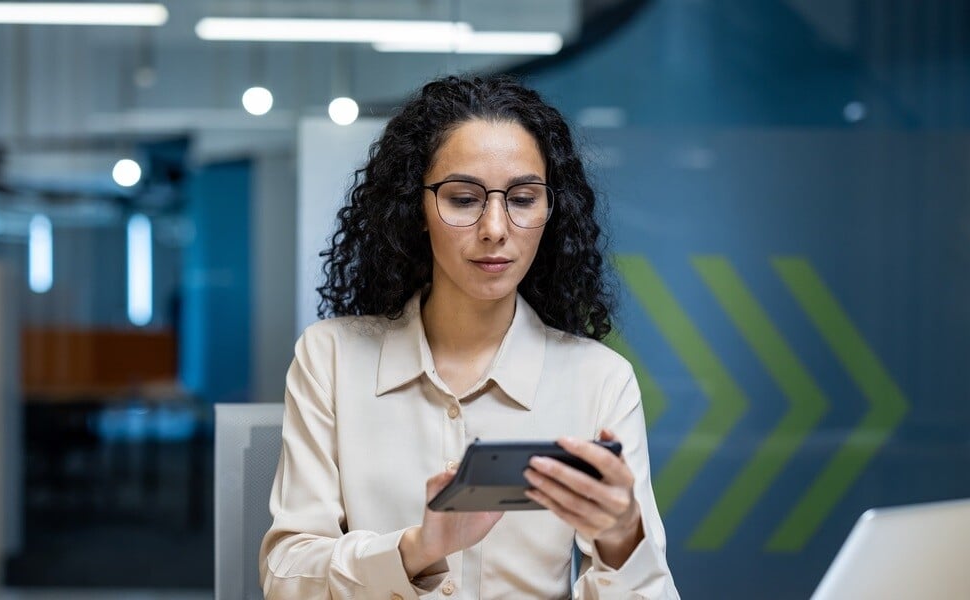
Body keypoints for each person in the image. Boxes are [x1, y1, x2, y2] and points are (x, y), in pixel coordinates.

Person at [260, 74, 679, 599]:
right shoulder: (331, 357)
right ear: (416, 208)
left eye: (523, 198)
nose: (496, 228)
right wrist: (418, 548)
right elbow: (285, 577)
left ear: (552, 210)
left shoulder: (598, 378)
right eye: (463, 199)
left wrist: (622, 538)